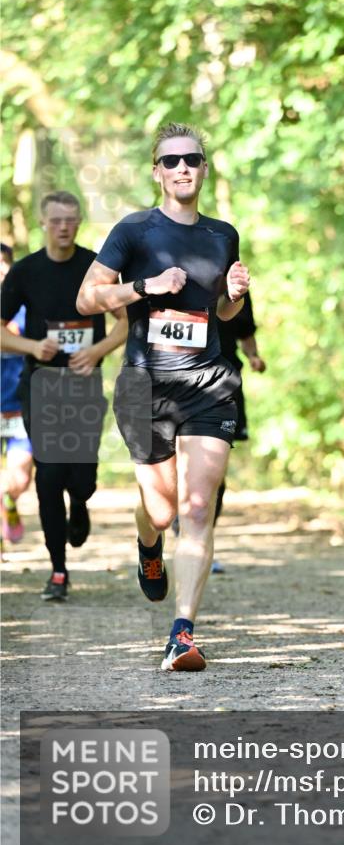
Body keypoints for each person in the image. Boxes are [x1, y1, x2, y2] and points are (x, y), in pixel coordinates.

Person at [76, 122, 250, 672]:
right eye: (171, 160)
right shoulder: (133, 231)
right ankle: (148, 544)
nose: (182, 168)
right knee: (162, 508)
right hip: (145, 383)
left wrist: (234, 296)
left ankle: (182, 634)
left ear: (204, 168)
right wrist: (144, 288)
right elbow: (87, 298)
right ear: (156, 171)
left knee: (198, 508)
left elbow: (220, 313)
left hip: (208, 382)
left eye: (192, 159)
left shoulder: (224, 235)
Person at [0, 192, 128, 599]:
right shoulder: (25, 272)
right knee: (50, 476)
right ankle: (58, 571)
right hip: (41, 386)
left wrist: (97, 351)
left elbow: (127, 323)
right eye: (56, 220)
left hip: (84, 387)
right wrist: (32, 348)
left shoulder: (98, 269)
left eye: (71, 219)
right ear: (43, 222)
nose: (63, 227)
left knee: (82, 477)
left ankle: (82, 500)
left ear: (79, 221)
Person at [173, 291, 266, 536]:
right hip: (177, 382)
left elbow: (246, 332)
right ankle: (177, 511)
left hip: (223, 384)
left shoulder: (235, 286)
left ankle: (202, 532)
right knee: (177, 457)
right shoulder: (173, 277)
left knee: (215, 468)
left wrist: (254, 356)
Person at [1, 243, 33, 544]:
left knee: (21, 479)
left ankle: (8, 501)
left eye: (3, 265)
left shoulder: (25, 307)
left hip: (18, 405)